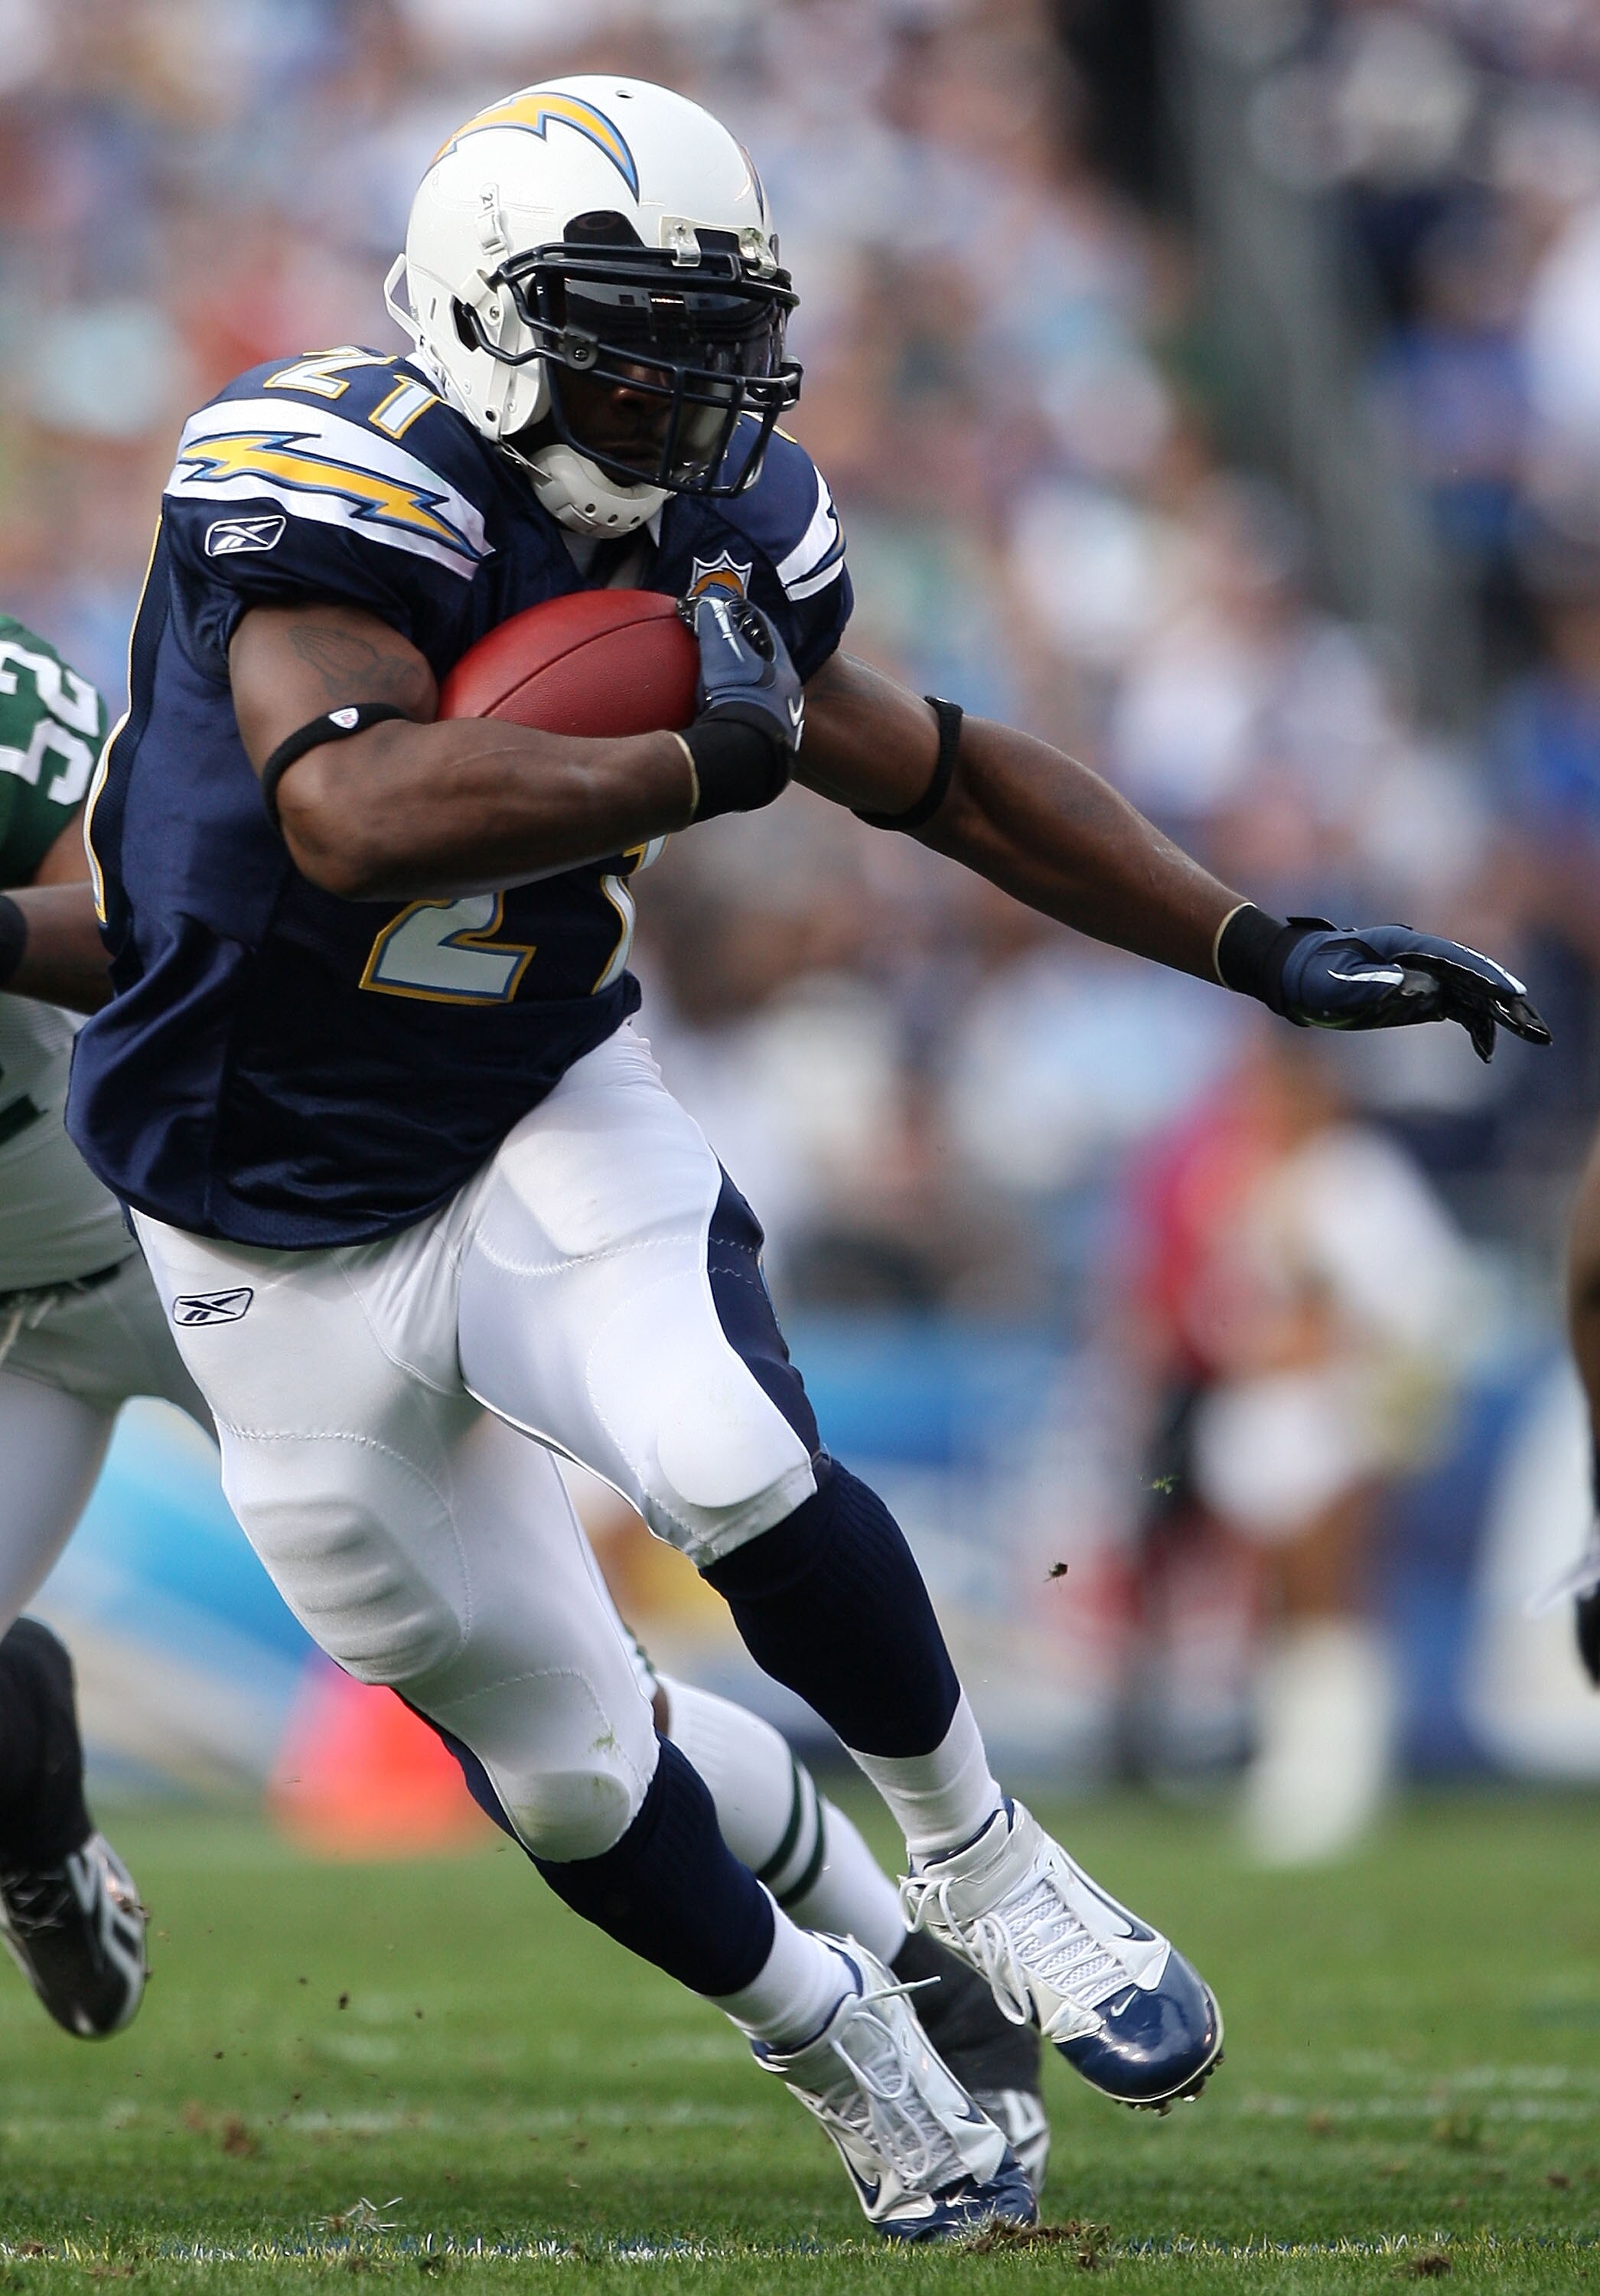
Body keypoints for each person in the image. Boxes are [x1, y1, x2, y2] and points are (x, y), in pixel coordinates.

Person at [62, 77, 1543, 2228]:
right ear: (482, 313)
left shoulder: (717, 525)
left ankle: (990, 1865)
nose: (674, 384)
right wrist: (691, 751)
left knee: (723, 1449)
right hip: (239, 1221)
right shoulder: (322, 480)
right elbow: (344, 812)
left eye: (703, 329)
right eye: (619, 327)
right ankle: (845, 2041)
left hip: (522, 1111)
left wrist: (1256, 943)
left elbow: (933, 768)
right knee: (574, 1770)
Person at [0, 612, 1050, 2193]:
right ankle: (41, 1835)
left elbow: (139, 916)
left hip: (204, 1233)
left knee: (563, 1713)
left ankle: (897, 1944)